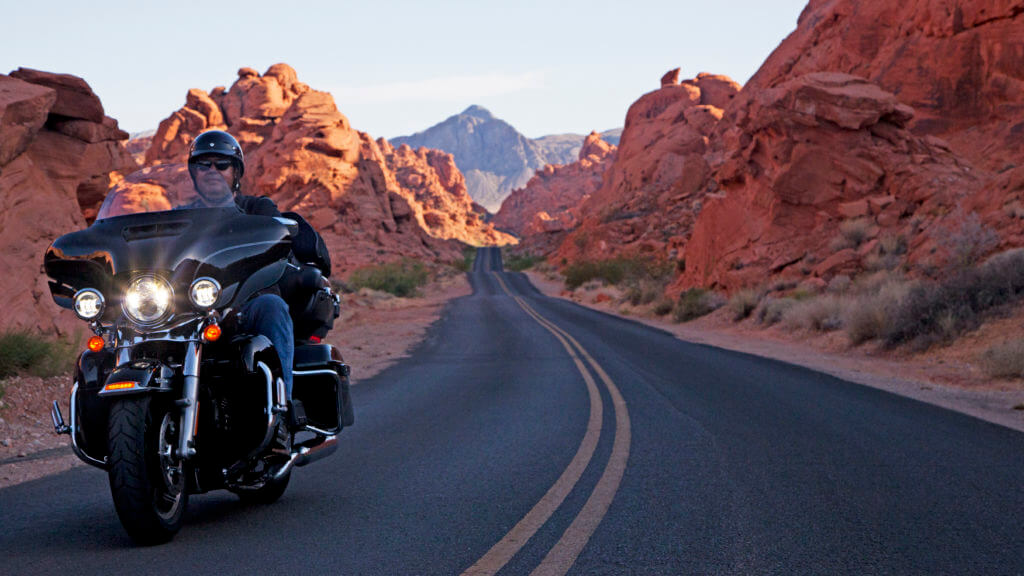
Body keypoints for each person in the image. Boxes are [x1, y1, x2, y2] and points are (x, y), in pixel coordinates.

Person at [186, 129, 302, 433]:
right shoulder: (181, 217)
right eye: (203, 165)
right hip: (190, 311)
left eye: (221, 165)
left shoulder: (258, 209)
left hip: (244, 307)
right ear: (193, 173)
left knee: (272, 307)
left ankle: (281, 414)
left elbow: (277, 241)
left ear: (235, 172)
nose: (212, 171)